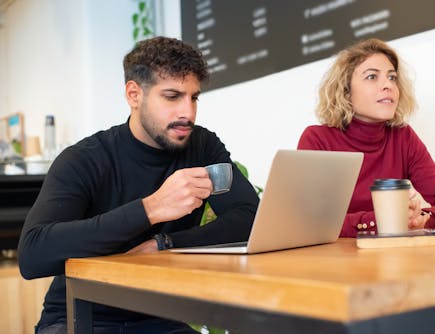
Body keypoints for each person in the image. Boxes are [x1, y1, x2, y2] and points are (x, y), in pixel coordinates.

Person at [17, 36, 259, 334]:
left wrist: (166, 244)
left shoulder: (202, 147)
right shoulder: (84, 159)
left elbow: (250, 217)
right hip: (79, 314)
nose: (188, 113)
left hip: (160, 315)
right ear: (134, 94)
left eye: (194, 97)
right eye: (172, 96)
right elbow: (33, 254)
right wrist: (152, 208)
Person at [297, 38, 435, 238]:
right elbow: (309, 220)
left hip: (389, 260)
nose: (387, 85)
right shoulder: (317, 139)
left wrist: (420, 220)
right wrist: (382, 221)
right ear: (345, 93)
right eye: (372, 77)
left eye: (392, 77)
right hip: (334, 263)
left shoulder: (403, 136)